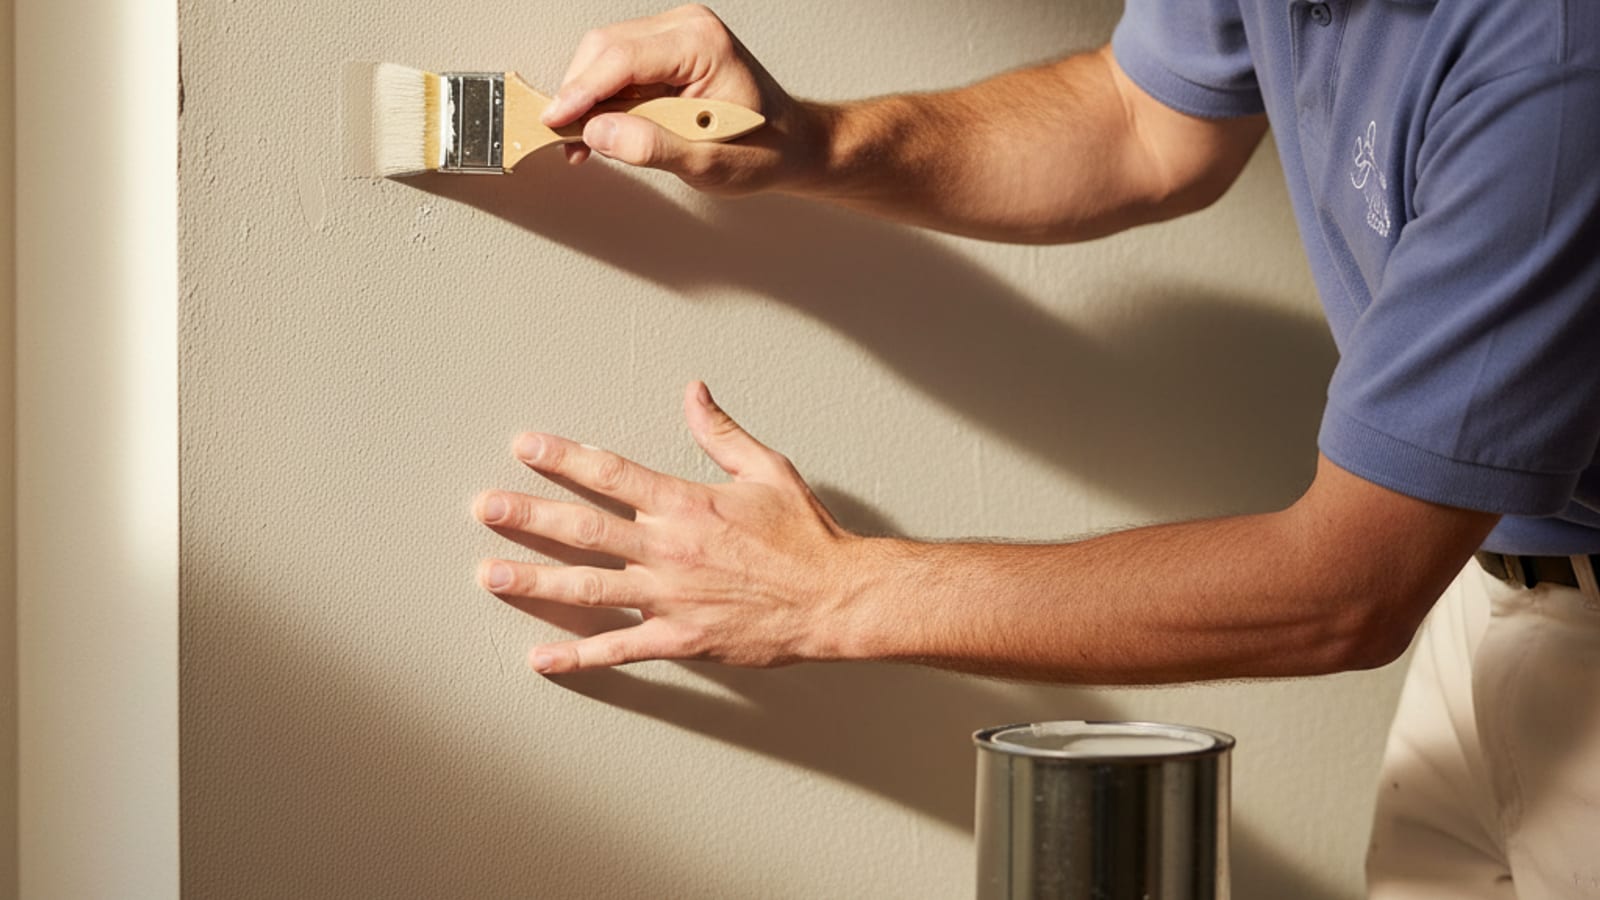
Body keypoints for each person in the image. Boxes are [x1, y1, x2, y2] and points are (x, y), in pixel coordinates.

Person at [472, 3, 1600, 896]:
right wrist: (810, 140)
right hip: (1489, 603)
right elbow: (1139, 123)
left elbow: (1347, 587)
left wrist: (827, 594)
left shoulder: (1553, 68)